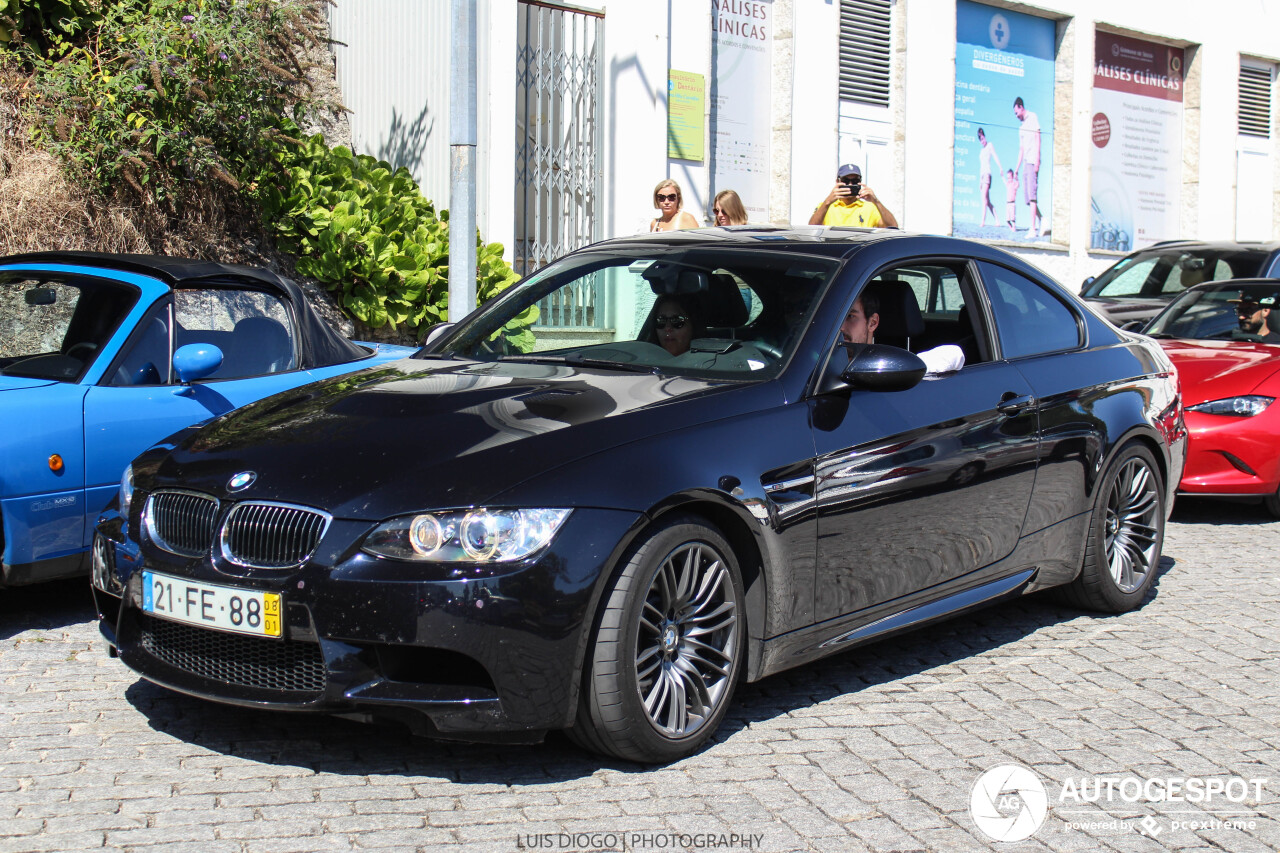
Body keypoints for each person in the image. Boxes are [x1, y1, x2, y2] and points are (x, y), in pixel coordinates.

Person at [839, 292, 965, 375]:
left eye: (850, 316)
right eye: (835, 318)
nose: (840, 327)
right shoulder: (821, 356)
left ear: (872, 322)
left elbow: (953, 354)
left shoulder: (889, 363)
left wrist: (910, 367)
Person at [808, 164, 899, 228]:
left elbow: (893, 227)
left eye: (855, 181)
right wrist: (827, 202)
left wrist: (876, 201)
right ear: (838, 182)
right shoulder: (826, 207)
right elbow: (812, 229)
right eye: (846, 181)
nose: (850, 185)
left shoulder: (870, 208)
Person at [1012, 97, 1042, 238]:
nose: (1016, 116)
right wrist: (1017, 168)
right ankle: (1042, 219)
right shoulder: (1021, 127)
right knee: (1027, 199)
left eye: (1016, 112)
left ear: (1021, 106)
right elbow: (1021, 149)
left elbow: (1038, 137)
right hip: (1025, 162)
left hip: (1032, 160)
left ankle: (1033, 229)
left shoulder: (1033, 117)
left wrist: (1037, 159)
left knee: (1032, 195)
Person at [977, 128, 1004, 228]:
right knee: (987, 201)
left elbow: (995, 156)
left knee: (983, 198)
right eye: (980, 139)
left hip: (988, 174)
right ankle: (997, 220)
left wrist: (1000, 167)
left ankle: (982, 221)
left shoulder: (989, 145)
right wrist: (980, 181)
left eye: (983, 138)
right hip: (982, 175)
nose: (982, 141)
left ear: (985, 137)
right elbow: (981, 166)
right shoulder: (981, 151)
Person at [1003, 169, 1019, 235]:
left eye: (1010, 178)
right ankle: (1011, 227)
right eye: (1008, 178)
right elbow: (1004, 181)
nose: (1008, 179)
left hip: (1012, 203)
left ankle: (1014, 227)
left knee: (1012, 217)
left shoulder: (1014, 184)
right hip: (1007, 203)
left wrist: (1017, 178)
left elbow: (1018, 184)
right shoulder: (1008, 184)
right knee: (1007, 219)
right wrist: (1002, 176)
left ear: (1012, 177)